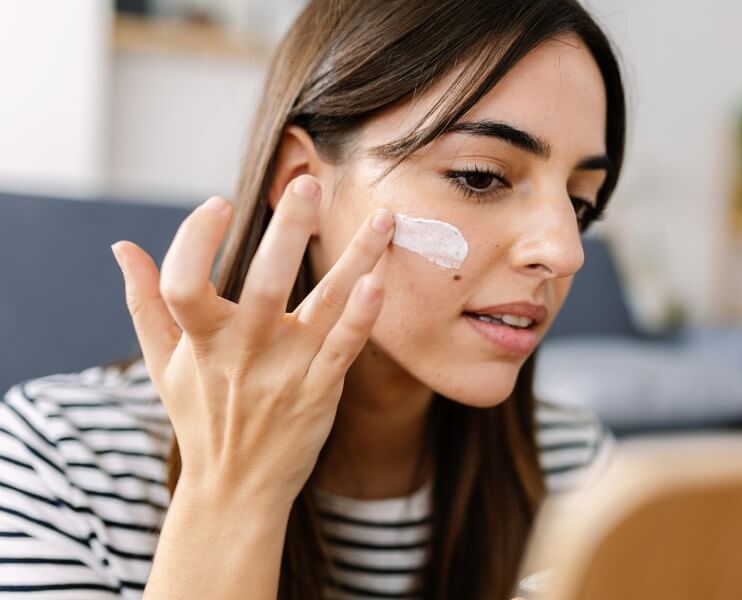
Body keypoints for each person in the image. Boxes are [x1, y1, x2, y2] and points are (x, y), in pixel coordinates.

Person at [0, 0, 626, 598]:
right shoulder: (60, 462)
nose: (565, 251)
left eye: (579, 203)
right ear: (303, 182)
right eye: (480, 177)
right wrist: (235, 488)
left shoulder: (578, 473)